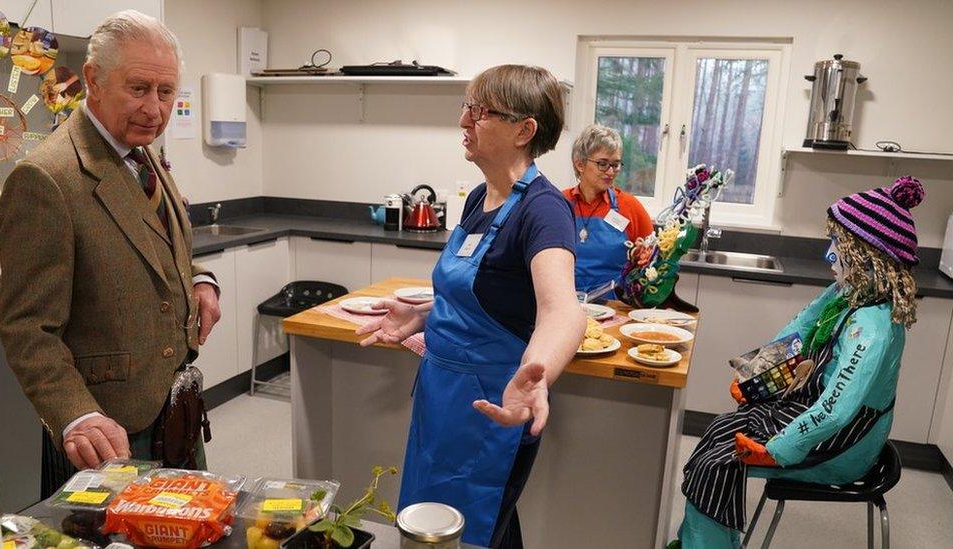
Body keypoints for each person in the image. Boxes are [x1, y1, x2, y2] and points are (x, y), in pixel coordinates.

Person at [356, 65, 585, 548]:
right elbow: (484, 294)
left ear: (525, 130)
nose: (464, 120)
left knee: (469, 527)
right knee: (442, 520)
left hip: (492, 402)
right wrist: (421, 316)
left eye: (480, 111)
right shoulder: (481, 196)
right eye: (465, 106)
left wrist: (537, 374)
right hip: (442, 395)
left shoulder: (543, 210)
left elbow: (563, 310)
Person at [0, 10, 221, 497]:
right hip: (107, 429)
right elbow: (26, 328)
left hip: (175, 409)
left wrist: (200, 279)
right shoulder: (46, 179)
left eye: (166, 92)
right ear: (94, 80)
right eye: (139, 89)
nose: (155, 109)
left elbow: (159, 245)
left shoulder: (143, 157)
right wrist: (76, 413)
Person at [671, 176, 925, 548]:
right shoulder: (846, 293)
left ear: (866, 256)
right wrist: (755, 378)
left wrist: (779, 448)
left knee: (719, 461)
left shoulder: (872, 326)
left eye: (838, 244)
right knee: (717, 431)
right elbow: (799, 330)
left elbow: (838, 409)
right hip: (816, 414)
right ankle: (704, 542)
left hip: (845, 441)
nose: (829, 254)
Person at [563, 124, 653, 298]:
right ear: (580, 164)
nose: (611, 172)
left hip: (614, 307)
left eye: (616, 164)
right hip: (564, 303)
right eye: (602, 164)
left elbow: (652, 264)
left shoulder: (631, 207)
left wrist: (642, 257)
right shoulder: (559, 203)